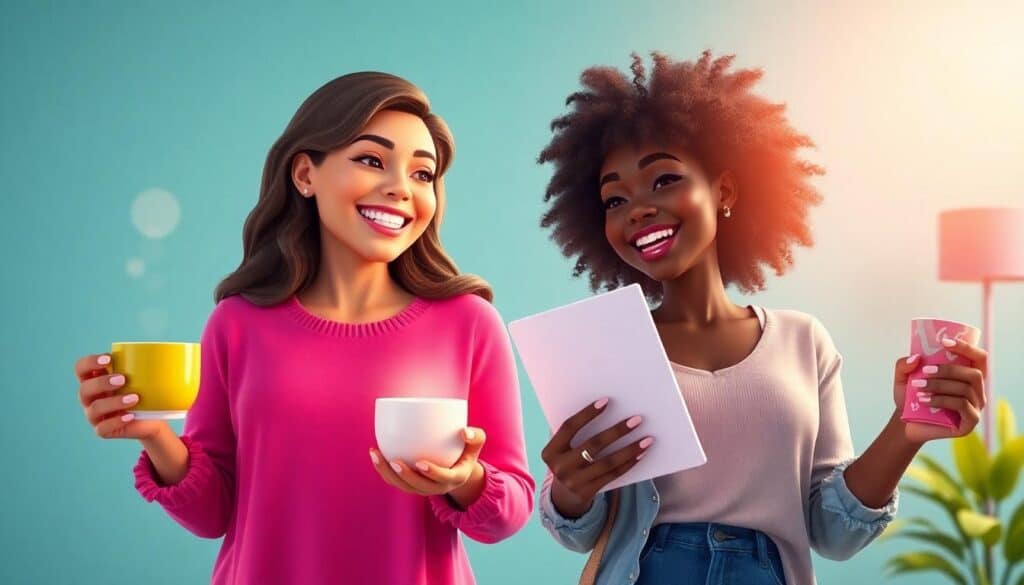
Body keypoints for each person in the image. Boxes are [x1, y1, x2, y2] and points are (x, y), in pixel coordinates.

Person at [535, 52, 987, 585]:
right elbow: (578, 532)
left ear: (723, 191)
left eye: (663, 181)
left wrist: (905, 433)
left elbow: (834, 533)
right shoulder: (608, 344)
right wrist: (569, 487)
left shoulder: (803, 341)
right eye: (615, 199)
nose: (636, 209)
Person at [74, 71, 534, 584]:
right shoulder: (238, 323)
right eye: (371, 160)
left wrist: (466, 479)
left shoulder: (469, 324)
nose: (400, 189)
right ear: (304, 175)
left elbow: (509, 513)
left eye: (422, 174)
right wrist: (156, 437)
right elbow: (211, 516)